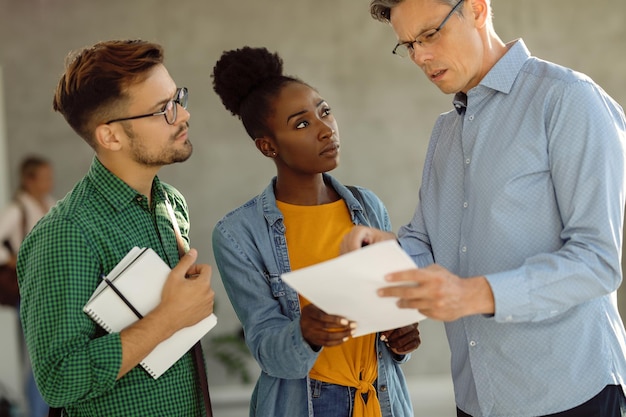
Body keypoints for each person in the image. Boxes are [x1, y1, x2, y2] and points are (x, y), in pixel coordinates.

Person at [340, 0, 626, 416]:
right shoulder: (445, 131)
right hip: (477, 398)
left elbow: (597, 262)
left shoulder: (568, 100)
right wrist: (384, 252)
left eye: (430, 35)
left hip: (571, 394)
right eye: (407, 45)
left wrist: (471, 295)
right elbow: (428, 243)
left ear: (476, 9)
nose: (420, 56)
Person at [211, 46, 420, 417]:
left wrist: (399, 339)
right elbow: (267, 350)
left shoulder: (368, 206)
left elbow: (386, 313)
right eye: (302, 124)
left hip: (382, 400)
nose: (325, 130)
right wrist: (305, 332)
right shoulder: (237, 234)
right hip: (307, 405)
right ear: (267, 146)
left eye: (324, 112)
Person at [17, 39, 215, 416]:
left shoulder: (170, 204)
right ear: (110, 136)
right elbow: (58, 379)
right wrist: (168, 319)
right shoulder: (66, 234)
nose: (183, 116)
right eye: (163, 110)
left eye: (178, 99)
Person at [0, 156, 55, 417]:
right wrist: (13, 258)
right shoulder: (17, 209)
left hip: (55, 289)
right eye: (43, 177)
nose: (48, 182)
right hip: (31, 291)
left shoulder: (51, 204)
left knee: (55, 353)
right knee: (38, 358)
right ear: (28, 179)